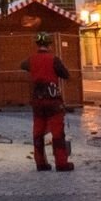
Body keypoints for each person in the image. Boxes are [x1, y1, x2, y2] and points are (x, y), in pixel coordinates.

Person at [22, 31, 74, 172]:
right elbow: (65, 74)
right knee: (57, 134)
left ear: (37, 44)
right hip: (53, 101)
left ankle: (40, 163)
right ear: (49, 45)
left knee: (38, 132)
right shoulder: (54, 59)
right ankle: (61, 163)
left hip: (37, 102)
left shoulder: (31, 59)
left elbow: (23, 65)